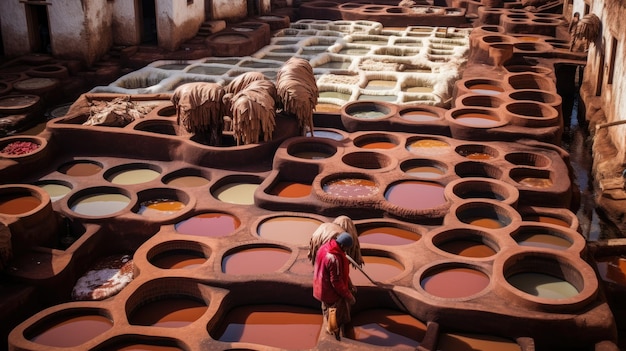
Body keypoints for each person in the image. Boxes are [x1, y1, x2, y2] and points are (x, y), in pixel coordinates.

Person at [313, 232, 357, 340]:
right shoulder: (334, 258)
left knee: (326, 309)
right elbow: (336, 282)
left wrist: (349, 284)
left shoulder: (324, 247)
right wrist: (348, 296)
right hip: (329, 292)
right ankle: (333, 334)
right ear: (342, 246)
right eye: (346, 248)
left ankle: (332, 328)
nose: (346, 251)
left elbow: (339, 274)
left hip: (320, 286)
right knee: (334, 315)